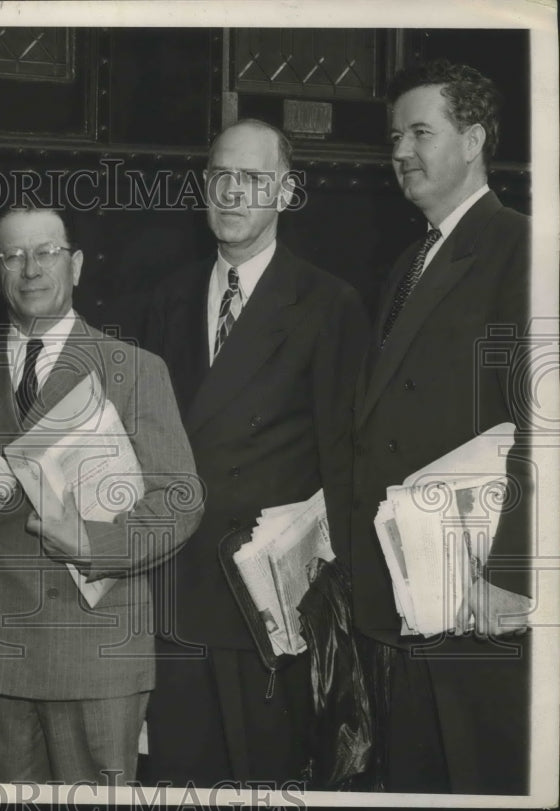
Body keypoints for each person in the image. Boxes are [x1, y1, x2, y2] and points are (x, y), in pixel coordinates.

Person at [143, 119, 370, 786]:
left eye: (254, 179)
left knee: (263, 785)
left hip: (270, 613)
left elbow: (343, 461)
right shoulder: (168, 298)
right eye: (221, 176)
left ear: (286, 192)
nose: (234, 193)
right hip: (176, 602)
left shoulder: (329, 305)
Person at [0, 203, 201, 784]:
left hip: (98, 659)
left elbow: (180, 498)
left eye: (46, 252)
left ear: (77, 265)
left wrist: (95, 542)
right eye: (13, 256)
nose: (30, 269)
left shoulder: (135, 370)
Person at [347, 59, 532, 794]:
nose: (401, 151)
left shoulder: (520, 246)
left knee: (478, 777)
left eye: (421, 131)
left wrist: (513, 570)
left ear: (475, 139)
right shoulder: (408, 261)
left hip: (479, 587)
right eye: (395, 135)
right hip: (411, 585)